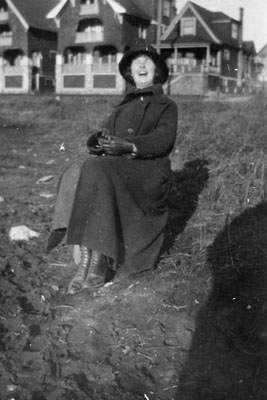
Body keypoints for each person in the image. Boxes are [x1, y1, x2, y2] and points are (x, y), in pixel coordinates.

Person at [46, 44, 178, 294]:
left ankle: (99, 261)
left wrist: (128, 145)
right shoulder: (122, 107)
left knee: (96, 169)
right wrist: (99, 141)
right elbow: (102, 142)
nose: (141, 66)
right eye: (136, 62)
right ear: (129, 72)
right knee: (78, 169)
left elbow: (164, 140)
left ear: (157, 71)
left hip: (147, 173)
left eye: (147, 62)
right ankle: (86, 258)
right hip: (116, 168)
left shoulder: (166, 105)